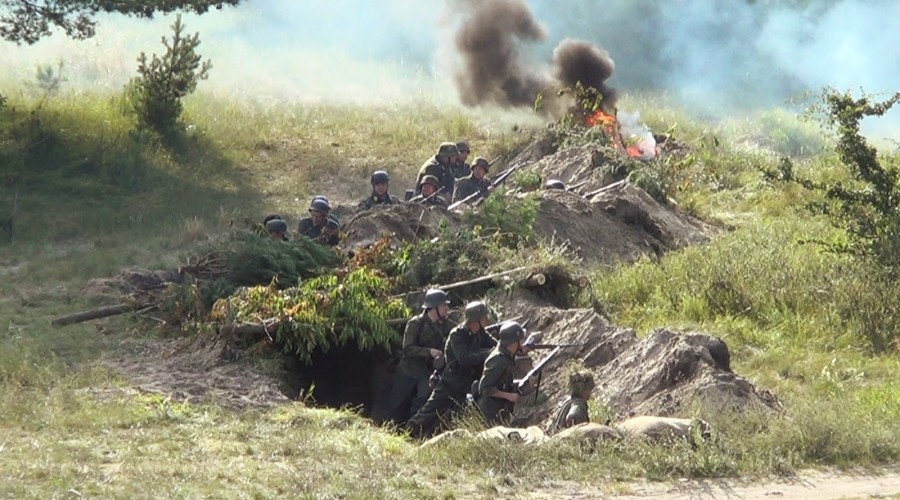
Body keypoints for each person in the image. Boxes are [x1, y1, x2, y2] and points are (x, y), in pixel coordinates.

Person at [407, 300, 498, 438]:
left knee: (461, 415)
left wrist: (512, 347)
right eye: (484, 317)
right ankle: (408, 434)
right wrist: (487, 352)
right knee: (429, 412)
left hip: (466, 384)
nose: (487, 319)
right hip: (450, 382)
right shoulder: (457, 335)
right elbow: (464, 358)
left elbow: (496, 346)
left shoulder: (480, 333)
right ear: (475, 320)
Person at [388, 289, 452, 425]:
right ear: (434, 308)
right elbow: (408, 349)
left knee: (422, 402)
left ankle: (411, 430)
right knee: (397, 404)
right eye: (443, 305)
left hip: (426, 373)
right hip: (408, 371)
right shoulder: (416, 323)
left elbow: (457, 332)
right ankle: (391, 430)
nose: (447, 309)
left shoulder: (445, 325)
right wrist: (429, 352)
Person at [476, 321, 525, 426]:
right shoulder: (498, 360)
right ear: (512, 343)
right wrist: (509, 396)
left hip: (499, 407)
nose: (521, 344)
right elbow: (484, 388)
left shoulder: (506, 354)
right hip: (491, 412)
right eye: (519, 341)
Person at [547, 369, 595, 434]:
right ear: (584, 390)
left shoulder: (565, 402)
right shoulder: (579, 403)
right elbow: (572, 416)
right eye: (589, 389)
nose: (590, 392)